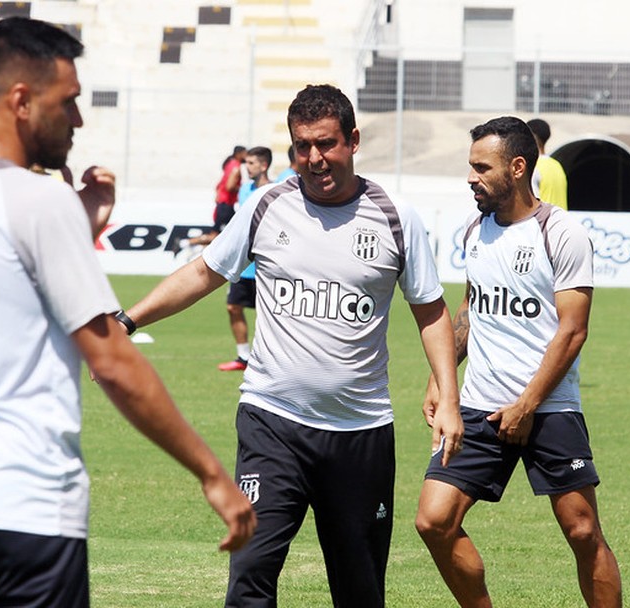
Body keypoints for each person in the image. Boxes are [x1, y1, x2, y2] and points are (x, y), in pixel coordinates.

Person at [0, 17, 254, 608]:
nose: (78, 120)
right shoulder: (38, 201)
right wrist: (212, 473)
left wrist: (77, 222)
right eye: (70, 102)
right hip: (23, 504)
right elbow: (112, 361)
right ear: (22, 101)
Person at [117, 84, 463, 607]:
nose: (314, 158)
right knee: (250, 575)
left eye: (325, 144)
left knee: (361, 589)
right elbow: (204, 273)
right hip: (271, 422)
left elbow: (431, 311)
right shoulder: (266, 205)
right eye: (302, 146)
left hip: (360, 432)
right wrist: (128, 318)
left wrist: (449, 397)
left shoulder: (395, 217)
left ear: (353, 141)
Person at [415, 116, 622, 608]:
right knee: (433, 521)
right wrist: (440, 380)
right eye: (470, 167)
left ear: (517, 167)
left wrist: (528, 404)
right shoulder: (474, 230)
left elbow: (573, 331)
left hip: (549, 407)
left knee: (582, 530)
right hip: (479, 405)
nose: (471, 178)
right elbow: (471, 307)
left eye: (481, 168)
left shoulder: (561, 232)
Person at [218, 145, 273, 372]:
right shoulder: (244, 190)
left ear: (264, 165)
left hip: (264, 265)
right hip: (244, 266)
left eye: (251, 163)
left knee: (269, 315)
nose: (246, 168)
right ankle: (243, 357)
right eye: (246, 163)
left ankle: (268, 360)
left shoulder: (274, 191)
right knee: (233, 306)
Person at [172, 146, 247, 256]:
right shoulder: (236, 167)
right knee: (226, 234)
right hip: (226, 205)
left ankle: (193, 248)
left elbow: (219, 186)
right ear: (239, 154)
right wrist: (244, 188)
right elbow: (229, 186)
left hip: (222, 203)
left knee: (225, 235)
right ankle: (187, 244)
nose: (246, 156)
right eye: (245, 153)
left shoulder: (229, 165)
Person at [526, 118, 568, 210]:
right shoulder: (557, 165)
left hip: (544, 222)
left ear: (532, 137)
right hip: (560, 221)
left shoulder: (532, 167)